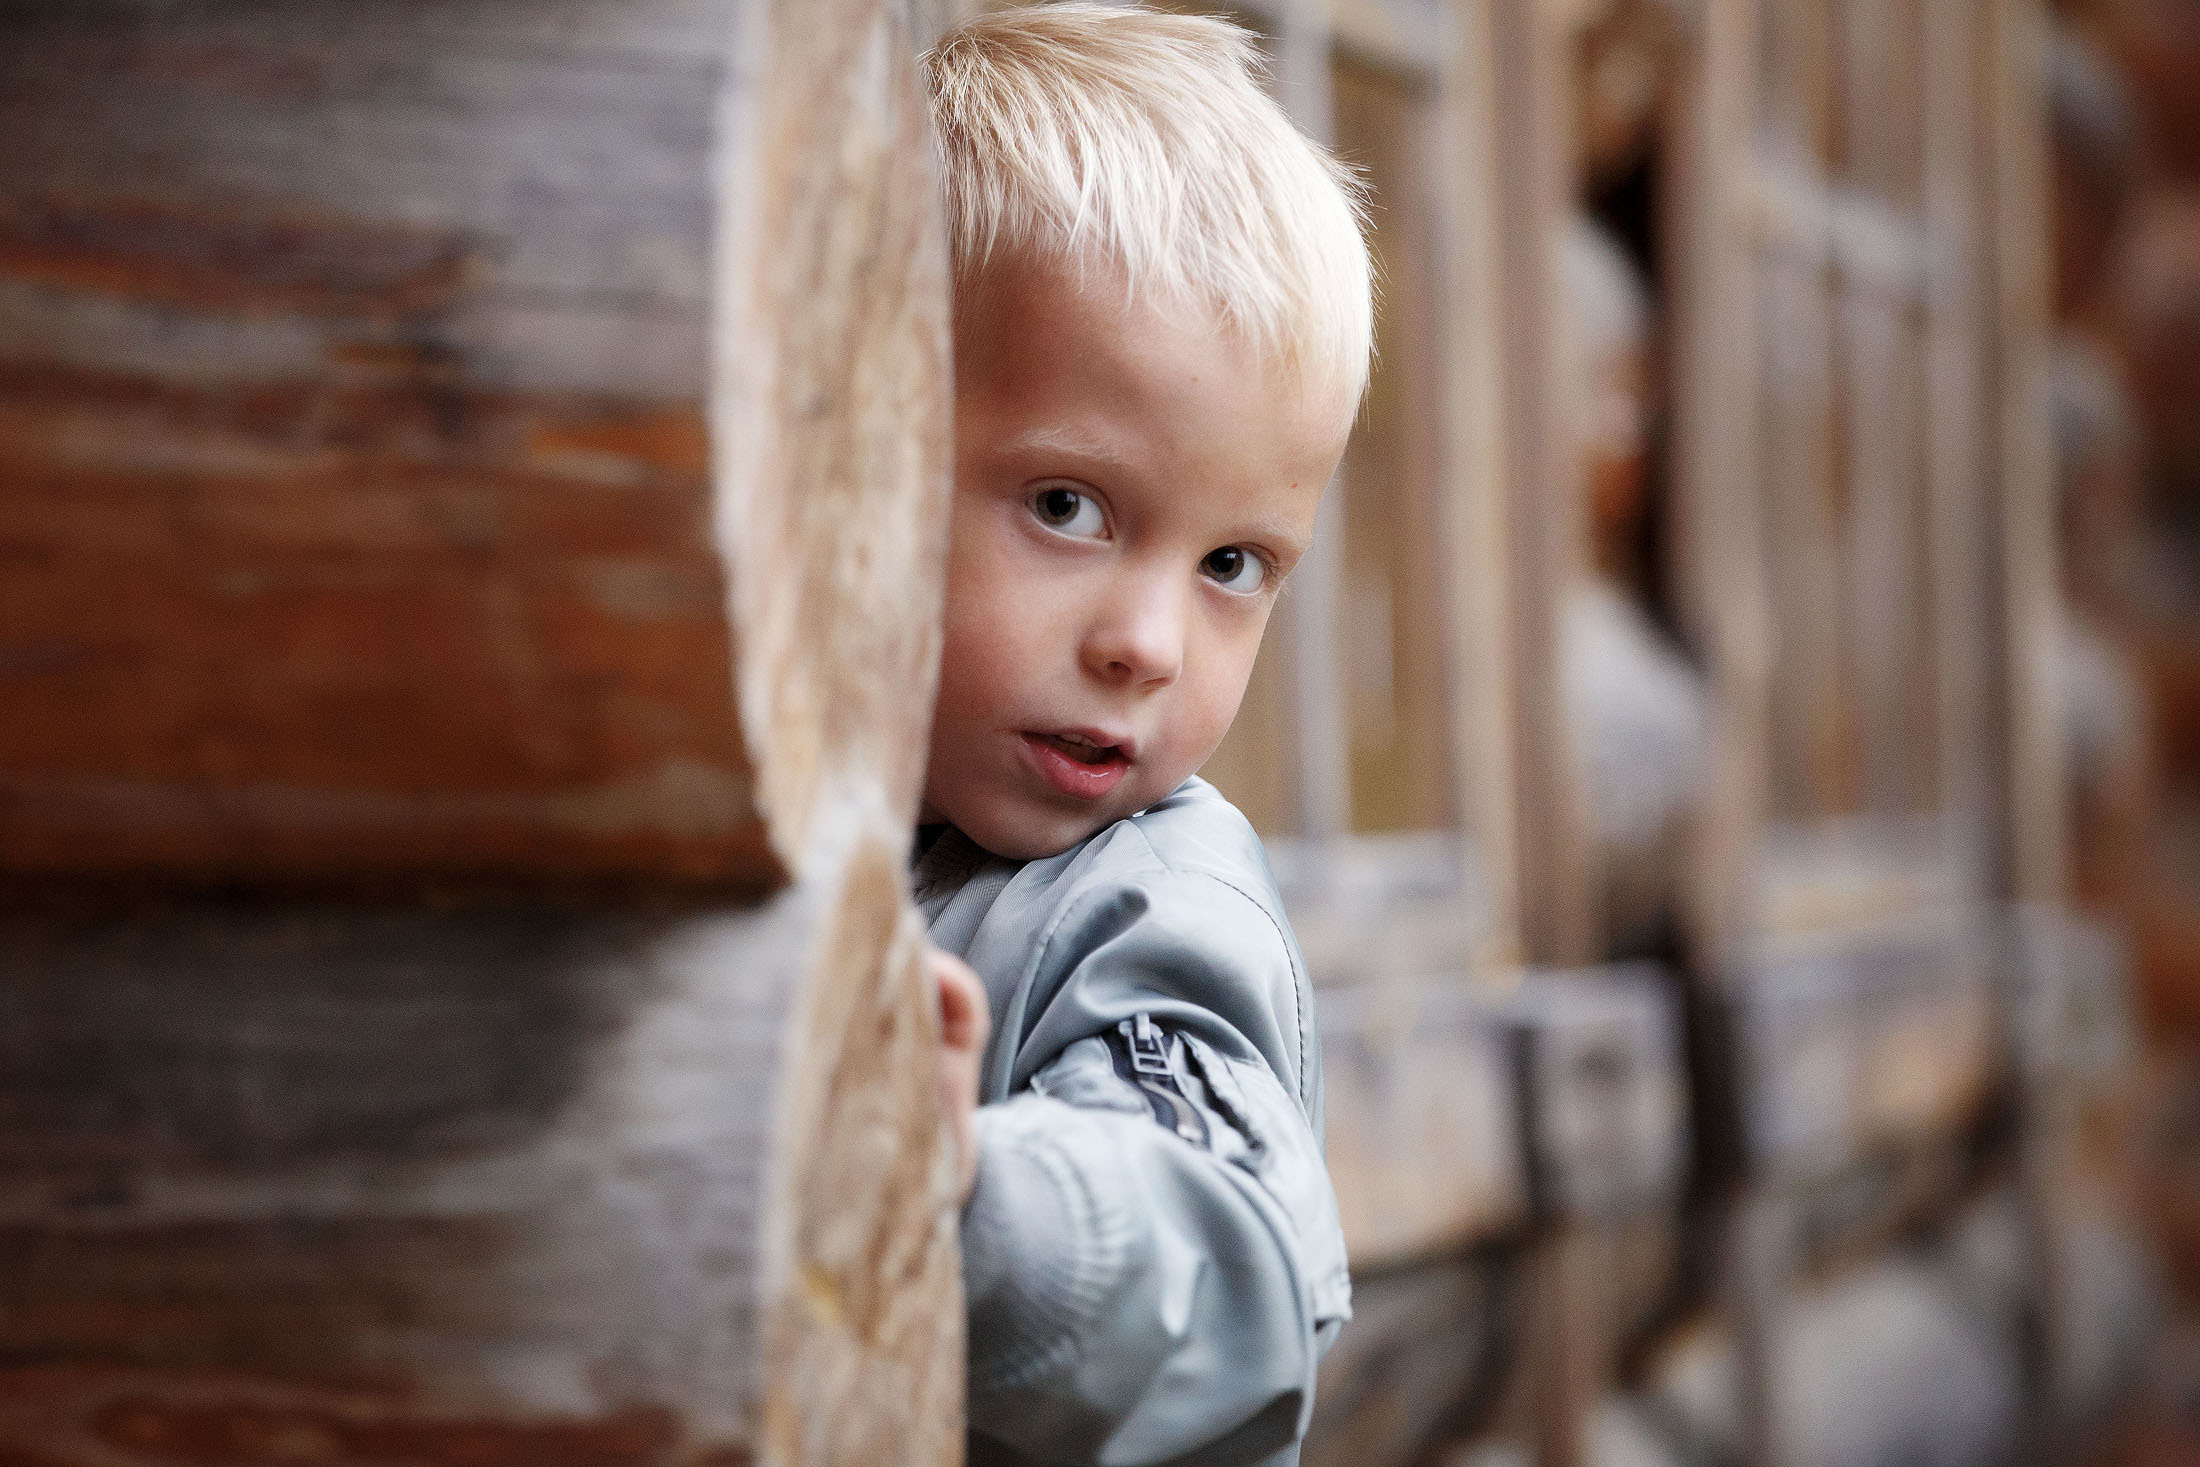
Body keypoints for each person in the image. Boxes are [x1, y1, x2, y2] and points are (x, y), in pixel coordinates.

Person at [913, 7, 1371, 1464]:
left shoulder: (1153, 900)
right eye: (1068, 508)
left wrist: (964, 1190)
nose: (1147, 645)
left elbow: (1219, 1247)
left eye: (1232, 565)